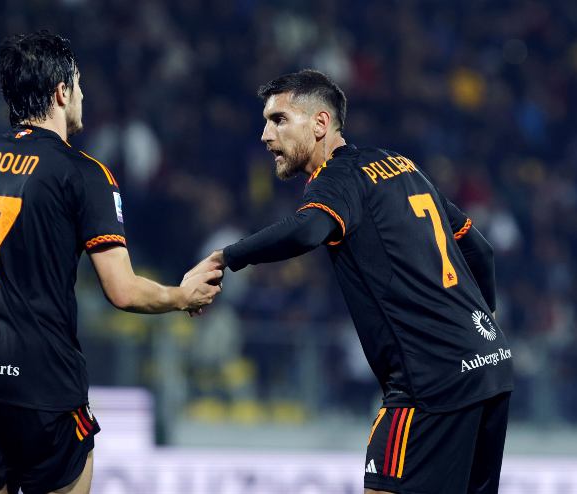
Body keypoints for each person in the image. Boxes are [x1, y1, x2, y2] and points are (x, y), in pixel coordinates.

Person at [0, 31, 222, 494]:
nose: (83, 96)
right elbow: (122, 290)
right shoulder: (83, 173)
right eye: (79, 85)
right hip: (40, 386)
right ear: (61, 92)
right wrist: (181, 296)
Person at [190, 69, 513, 494]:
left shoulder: (337, 179)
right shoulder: (404, 167)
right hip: (491, 366)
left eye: (279, 120)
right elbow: (480, 250)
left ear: (320, 123)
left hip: (430, 382)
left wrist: (224, 257)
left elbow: (307, 230)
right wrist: (480, 326)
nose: (266, 135)